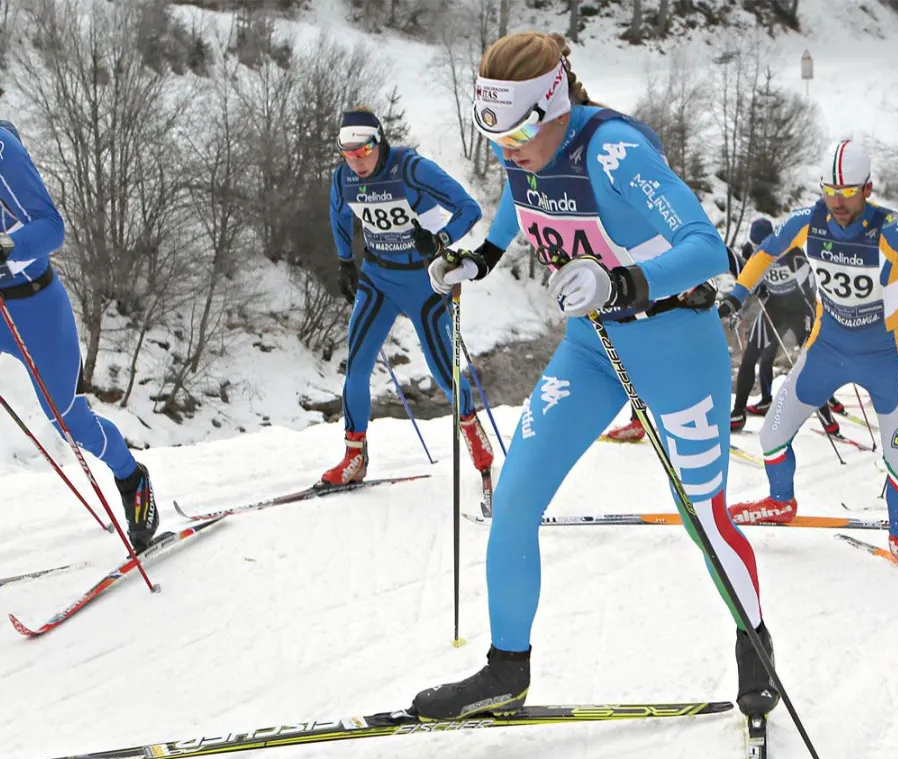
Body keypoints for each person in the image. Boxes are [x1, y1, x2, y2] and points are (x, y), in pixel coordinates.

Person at [410, 32, 779, 720]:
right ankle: (505, 671)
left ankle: (753, 646)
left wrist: (620, 281)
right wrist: (481, 259)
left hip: (676, 345)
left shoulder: (615, 152)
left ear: (553, 103)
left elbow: (707, 249)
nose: (505, 147)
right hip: (591, 349)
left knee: (702, 514)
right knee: (514, 496)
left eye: (517, 128)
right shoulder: (523, 150)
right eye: (491, 133)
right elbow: (521, 198)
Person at [0, 57, 158, 597]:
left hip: (28, 306)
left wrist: (2, 246)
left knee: (66, 416)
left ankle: (131, 476)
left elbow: (52, 228)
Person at [724, 140, 898, 570]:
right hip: (827, 349)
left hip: (884, 357)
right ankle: (781, 502)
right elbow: (765, 254)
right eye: (829, 191)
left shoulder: (891, 229)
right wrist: (737, 295)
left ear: (868, 189)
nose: (837, 202)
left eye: (848, 192)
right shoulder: (808, 221)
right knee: (771, 434)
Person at [326, 108, 491, 485]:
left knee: (443, 374)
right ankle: (354, 457)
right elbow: (337, 216)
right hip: (378, 280)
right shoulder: (343, 179)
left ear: (379, 142)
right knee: (356, 367)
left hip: (424, 280)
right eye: (347, 153)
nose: (357, 161)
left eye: (364, 151)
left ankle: (471, 430)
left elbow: (469, 208)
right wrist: (344, 262)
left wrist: (440, 240)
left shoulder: (411, 169)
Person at [722, 216, 841, 434]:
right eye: (757, 246)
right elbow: (750, 281)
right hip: (774, 306)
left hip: (800, 308)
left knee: (808, 360)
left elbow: (811, 287)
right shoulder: (751, 252)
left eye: (764, 244)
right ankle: (738, 412)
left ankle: (825, 415)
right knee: (751, 356)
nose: (761, 250)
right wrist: (749, 300)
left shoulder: (793, 253)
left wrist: (813, 317)